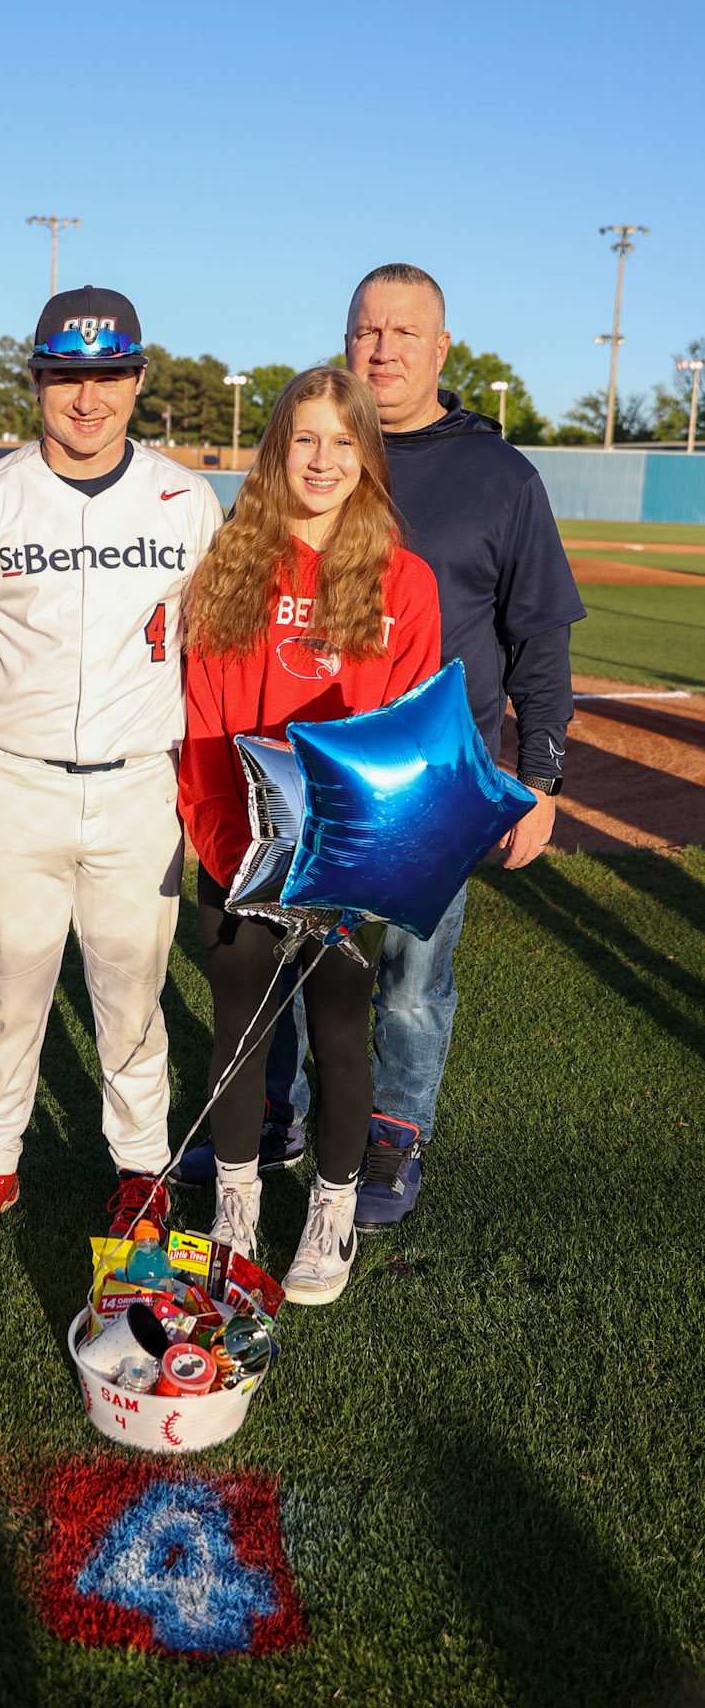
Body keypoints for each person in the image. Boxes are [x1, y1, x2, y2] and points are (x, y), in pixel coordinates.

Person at [257, 263, 584, 1229]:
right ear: (344, 338)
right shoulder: (310, 449)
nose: (384, 348)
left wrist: (540, 778)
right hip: (302, 768)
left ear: (443, 348)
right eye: (367, 330)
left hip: (432, 781)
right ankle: (273, 1114)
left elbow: (539, 638)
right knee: (280, 961)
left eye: (406, 332)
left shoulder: (500, 476)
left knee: (407, 977)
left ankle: (391, 1135)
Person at [0, 285, 223, 1254]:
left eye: (106, 374)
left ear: (137, 378)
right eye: (65, 376)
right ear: (39, 381)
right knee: (9, 986)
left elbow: (207, 637)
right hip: (18, 780)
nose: (86, 397)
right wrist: (29, 703)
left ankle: (141, 1172)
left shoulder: (186, 497)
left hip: (141, 779)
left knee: (132, 992)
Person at [179, 366, 440, 1304]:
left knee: (337, 1027)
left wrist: (353, 859)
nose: (322, 460)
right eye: (304, 440)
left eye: (342, 441)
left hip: (345, 856)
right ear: (276, 450)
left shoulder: (400, 580)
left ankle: (330, 1209)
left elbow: (407, 729)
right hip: (241, 849)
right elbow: (205, 719)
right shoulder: (228, 564)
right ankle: (236, 1208)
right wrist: (226, 853)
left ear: (365, 452)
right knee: (239, 1029)